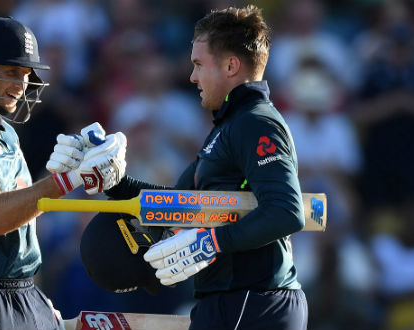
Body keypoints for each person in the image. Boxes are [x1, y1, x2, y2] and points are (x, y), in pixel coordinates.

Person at [101, 6, 308, 330]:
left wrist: (211, 241)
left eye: (199, 65)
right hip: (230, 301)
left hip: (254, 303)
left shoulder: (256, 122)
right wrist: (114, 183)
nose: (192, 76)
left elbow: (286, 212)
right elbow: (181, 204)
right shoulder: (230, 125)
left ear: (230, 65)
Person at [0, 17, 126, 330]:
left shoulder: (6, 133)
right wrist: (69, 180)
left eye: (25, 74)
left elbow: (24, 232)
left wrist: (35, 299)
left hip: (24, 294)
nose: (21, 85)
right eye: (11, 72)